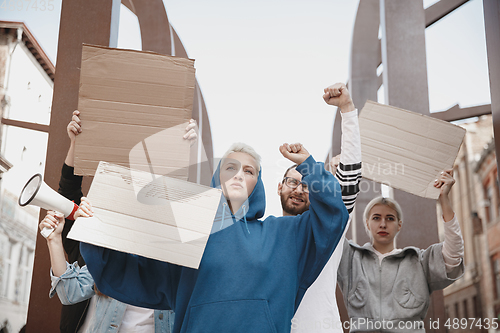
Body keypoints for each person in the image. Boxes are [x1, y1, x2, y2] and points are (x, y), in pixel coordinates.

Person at [79, 140, 350, 333]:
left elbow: (333, 215)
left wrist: (308, 165)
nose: (239, 175)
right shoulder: (186, 235)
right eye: (230, 168)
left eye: (249, 170)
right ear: (216, 177)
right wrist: (94, 232)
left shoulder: (285, 235)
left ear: (259, 184)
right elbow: (129, 274)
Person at [41, 114, 197, 333]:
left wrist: (185, 151)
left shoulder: (172, 267)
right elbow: (70, 290)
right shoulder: (111, 258)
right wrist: (77, 144)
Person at [337, 170, 464, 332]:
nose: (383, 224)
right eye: (376, 218)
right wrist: (338, 180)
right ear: (367, 223)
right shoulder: (350, 259)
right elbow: (329, 230)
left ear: (399, 225)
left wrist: (444, 199)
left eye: (390, 218)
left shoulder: (419, 261)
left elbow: (454, 256)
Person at [284, 83, 361, 333]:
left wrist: (347, 111)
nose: (298, 189)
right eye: (292, 182)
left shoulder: (328, 231)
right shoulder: (266, 234)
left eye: (306, 185)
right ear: (279, 187)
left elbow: (349, 180)